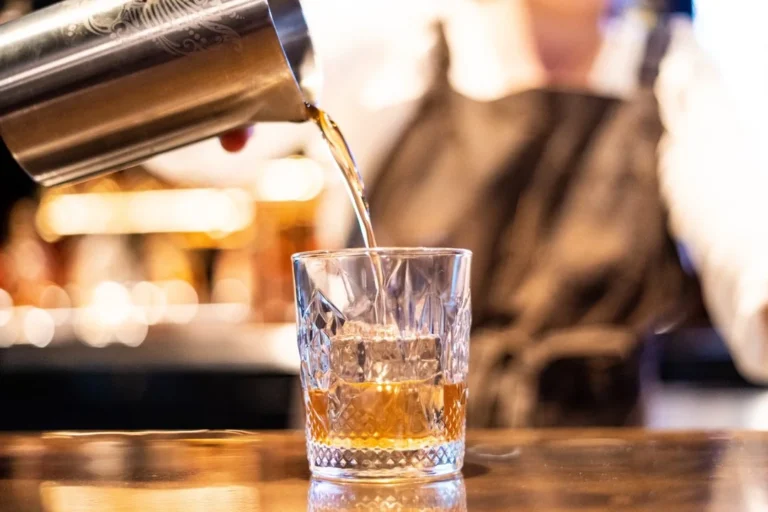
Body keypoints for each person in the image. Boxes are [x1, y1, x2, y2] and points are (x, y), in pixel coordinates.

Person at [159, 0, 768, 426]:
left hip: (591, 479)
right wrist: (210, 84)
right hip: (380, 461)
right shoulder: (399, 42)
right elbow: (191, 145)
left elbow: (749, 247)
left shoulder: (676, 71)